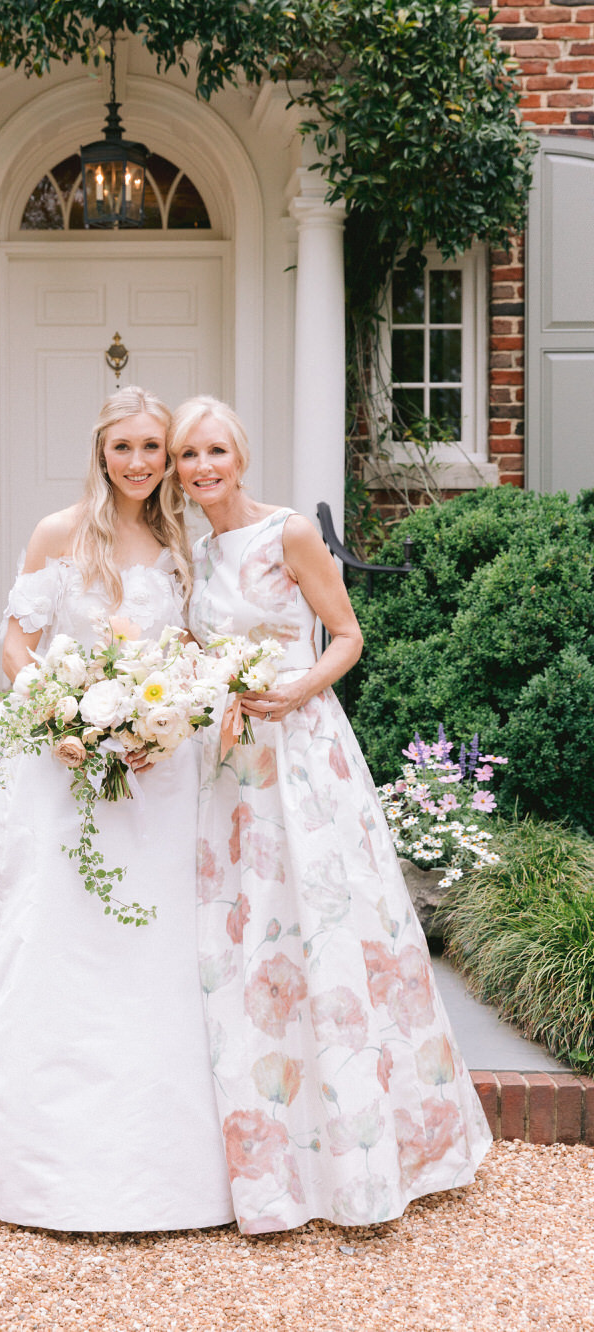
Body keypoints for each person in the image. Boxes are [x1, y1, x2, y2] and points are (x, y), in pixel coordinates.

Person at [0, 387, 235, 1232]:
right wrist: (61, 712)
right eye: (124, 447)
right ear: (100, 451)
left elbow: (188, 647)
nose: (139, 463)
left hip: (156, 763)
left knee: (160, 933)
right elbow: (15, 645)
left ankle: (167, 1132)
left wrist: (168, 712)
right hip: (61, 753)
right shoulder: (61, 531)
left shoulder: (181, 538)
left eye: (153, 448)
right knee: (58, 925)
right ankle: (43, 1130)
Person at [171, 395, 491, 1234]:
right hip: (231, 765)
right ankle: (272, 1143)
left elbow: (346, 635)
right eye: (184, 457)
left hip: (303, 754)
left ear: (239, 454)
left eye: (212, 451)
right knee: (251, 937)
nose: (199, 468)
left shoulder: (290, 533)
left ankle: (369, 1145)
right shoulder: (198, 554)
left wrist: (292, 691)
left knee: (327, 924)